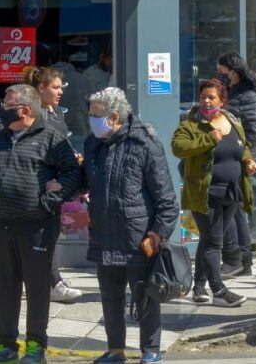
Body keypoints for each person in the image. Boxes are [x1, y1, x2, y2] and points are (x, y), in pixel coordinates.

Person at [0, 84, 82, 364]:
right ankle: (5, 346)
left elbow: (74, 174)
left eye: (8, 104)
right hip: (3, 226)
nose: (2, 108)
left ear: (24, 110)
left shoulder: (51, 137)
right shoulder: (1, 137)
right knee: (4, 287)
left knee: (36, 289)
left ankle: (36, 347)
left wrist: (50, 201)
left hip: (38, 227)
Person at [82, 87, 179, 364]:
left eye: (95, 115)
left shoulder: (145, 144)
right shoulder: (93, 144)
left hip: (138, 239)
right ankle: (115, 350)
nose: (91, 120)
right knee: (110, 297)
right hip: (103, 235)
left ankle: (150, 350)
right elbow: (85, 181)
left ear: (114, 117)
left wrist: (157, 234)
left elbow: (167, 199)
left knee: (145, 297)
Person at [172, 79, 256, 307]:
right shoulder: (191, 124)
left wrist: (248, 160)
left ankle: (199, 286)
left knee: (209, 240)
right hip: (205, 194)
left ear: (222, 100)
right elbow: (178, 147)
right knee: (214, 243)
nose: (206, 101)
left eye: (211, 97)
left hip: (232, 193)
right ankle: (219, 291)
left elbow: (242, 146)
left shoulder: (231, 120)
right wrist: (209, 138)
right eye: (203, 97)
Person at [24, 67, 84, 304]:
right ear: (41, 88)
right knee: (45, 235)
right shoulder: (35, 115)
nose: (60, 92)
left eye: (61, 88)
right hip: (43, 183)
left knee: (46, 234)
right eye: (56, 87)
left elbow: (60, 143)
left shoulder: (55, 112)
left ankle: (39, 281)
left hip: (58, 181)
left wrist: (72, 157)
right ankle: (54, 283)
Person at [215, 52, 256, 278]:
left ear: (234, 72)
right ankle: (242, 259)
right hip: (232, 159)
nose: (219, 77)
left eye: (222, 73)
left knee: (232, 210)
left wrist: (251, 160)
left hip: (242, 161)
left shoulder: (250, 96)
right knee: (235, 210)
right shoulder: (234, 93)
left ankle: (235, 258)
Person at [52, 61, 94, 153]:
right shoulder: (83, 79)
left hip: (53, 133)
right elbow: (95, 104)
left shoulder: (48, 81)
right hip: (80, 130)